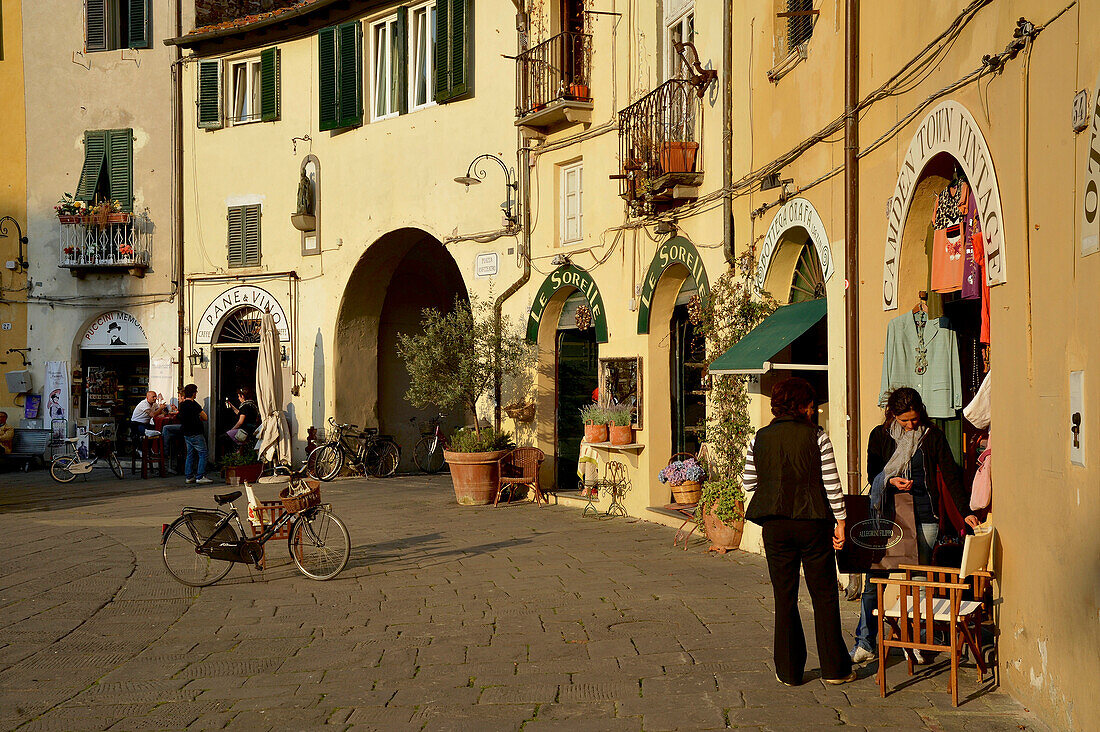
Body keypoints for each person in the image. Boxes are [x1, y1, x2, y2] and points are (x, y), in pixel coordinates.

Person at [850, 387, 981, 664]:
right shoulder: (880, 436)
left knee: (920, 582)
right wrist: (890, 481)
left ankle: (918, 640)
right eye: (904, 420)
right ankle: (865, 643)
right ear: (892, 415)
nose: (911, 425)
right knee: (874, 580)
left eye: (914, 419)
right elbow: (873, 473)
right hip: (888, 519)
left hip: (924, 517)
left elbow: (950, 474)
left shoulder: (932, 436)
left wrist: (965, 511)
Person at [743, 377, 856, 686]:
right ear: (804, 406)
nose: (813, 409)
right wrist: (842, 522)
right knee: (824, 595)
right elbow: (832, 485)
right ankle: (836, 669)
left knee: (785, 597)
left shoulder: (760, 438)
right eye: (811, 404)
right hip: (813, 523)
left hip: (775, 526)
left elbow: (749, 482)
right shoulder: (817, 437)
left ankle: (790, 671)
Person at [178, 383, 212, 484]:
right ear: (193, 393)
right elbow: (205, 417)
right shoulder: (195, 404)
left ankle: (189, 476)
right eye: (196, 392)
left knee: (190, 454)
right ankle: (200, 476)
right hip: (196, 432)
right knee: (203, 454)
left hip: (186, 433)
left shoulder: (182, 405)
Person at [162, 388, 186, 473]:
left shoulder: (184, 404)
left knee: (166, 428)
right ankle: (170, 454)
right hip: (186, 429)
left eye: (179, 397)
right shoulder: (187, 404)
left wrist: (176, 413)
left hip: (185, 428)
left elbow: (181, 416)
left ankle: (165, 452)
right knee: (169, 435)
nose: (178, 399)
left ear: (183, 397)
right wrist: (176, 411)